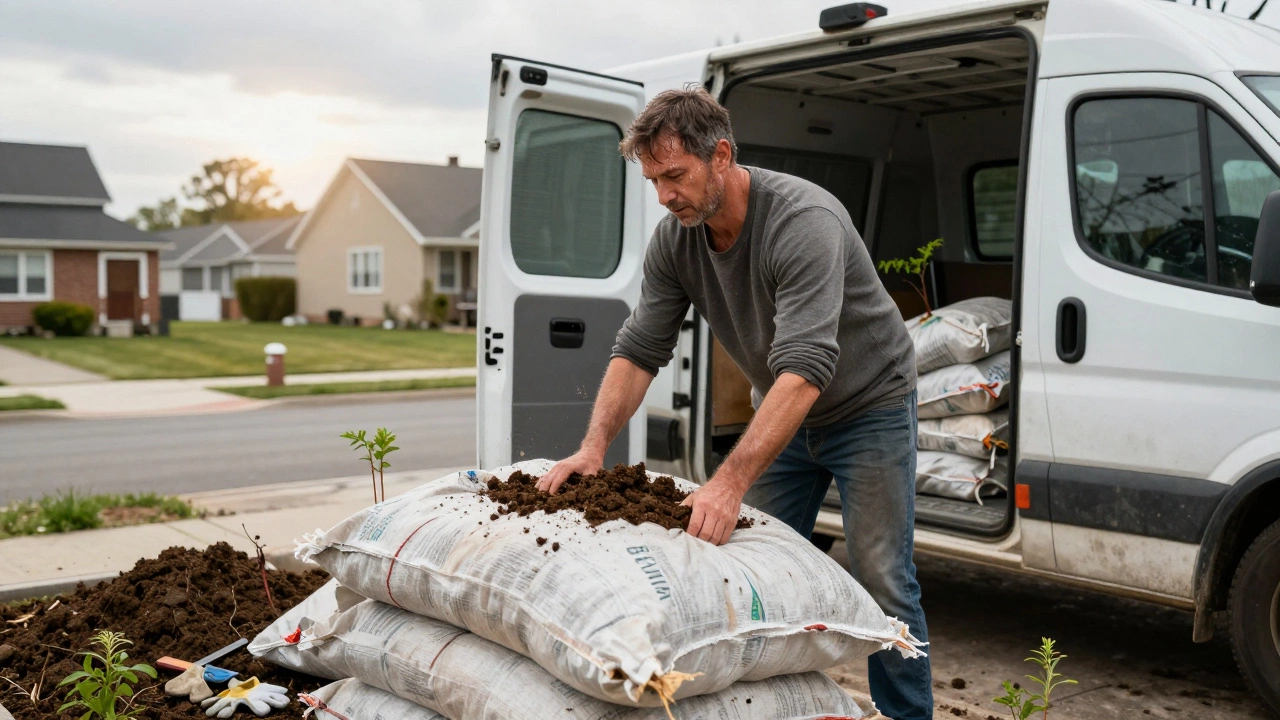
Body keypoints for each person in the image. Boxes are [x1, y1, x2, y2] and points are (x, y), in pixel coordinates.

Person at [536, 87, 932, 719]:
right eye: (654, 180)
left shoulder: (804, 221)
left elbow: (806, 368)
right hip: (782, 410)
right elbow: (639, 348)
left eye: (675, 175)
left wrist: (727, 483)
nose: (664, 196)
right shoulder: (676, 241)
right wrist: (593, 448)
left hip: (869, 406)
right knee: (748, 570)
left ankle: (907, 715)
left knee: (882, 577)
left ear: (720, 156)